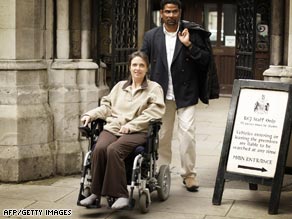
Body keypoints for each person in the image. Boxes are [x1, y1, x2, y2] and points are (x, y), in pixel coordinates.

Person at [141, 0, 219, 192]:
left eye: (174, 11)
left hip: (186, 93)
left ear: (180, 12)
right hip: (161, 95)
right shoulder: (151, 36)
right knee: (163, 135)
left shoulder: (191, 33)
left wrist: (189, 45)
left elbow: (206, 60)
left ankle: (189, 175)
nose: (171, 15)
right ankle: (162, 172)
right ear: (161, 13)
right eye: (167, 11)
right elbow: (142, 61)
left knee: (187, 135)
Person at [79, 51, 165, 209]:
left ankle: (121, 195)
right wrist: (90, 115)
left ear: (147, 68)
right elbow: (106, 107)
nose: (137, 68)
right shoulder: (119, 87)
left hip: (138, 131)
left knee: (114, 150)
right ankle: (95, 194)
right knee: (99, 149)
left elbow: (154, 113)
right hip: (114, 127)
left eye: (141, 65)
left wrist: (132, 125)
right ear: (129, 67)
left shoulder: (154, 88)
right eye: (134, 65)